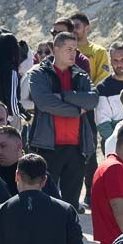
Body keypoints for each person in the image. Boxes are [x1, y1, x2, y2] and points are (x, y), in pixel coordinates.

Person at [26, 30, 97, 209]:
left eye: (75, 50)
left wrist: (63, 95)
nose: (74, 53)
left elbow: (92, 99)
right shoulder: (39, 73)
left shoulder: (81, 75)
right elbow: (44, 102)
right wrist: (76, 110)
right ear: (55, 49)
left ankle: (70, 236)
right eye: (69, 49)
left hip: (76, 148)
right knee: (44, 201)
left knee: (71, 202)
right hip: (47, 147)